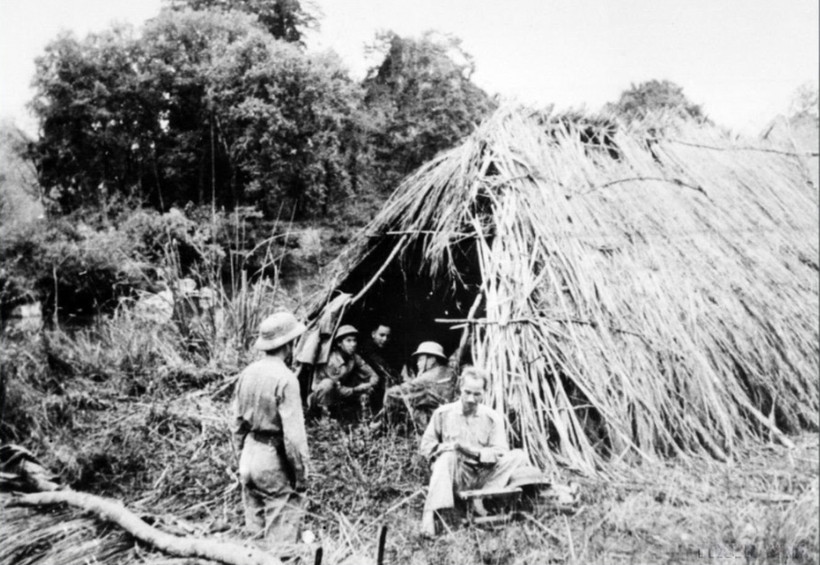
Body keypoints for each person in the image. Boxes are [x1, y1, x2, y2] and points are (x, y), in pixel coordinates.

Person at [419, 366, 541, 537]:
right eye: (467, 392)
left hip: (484, 475)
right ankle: (432, 514)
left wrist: (474, 452)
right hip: (456, 475)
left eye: (477, 394)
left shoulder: (491, 417)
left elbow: (500, 452)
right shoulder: (443, 414)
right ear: (460, 388)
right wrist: (444, 448)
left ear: (485, 392)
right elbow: (426, 446)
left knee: (519, 456)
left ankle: (484, 499)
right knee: (447, 457)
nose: (470, 399)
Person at [232, 311, 309, 543]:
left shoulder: (247, 373)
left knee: (253, 532)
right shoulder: (286, 379)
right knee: (282, 534)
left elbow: (236, 424)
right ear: (290, 344)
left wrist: (240, 457)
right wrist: (300, 474)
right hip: (272, 459)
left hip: (249, 454)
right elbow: (293, 438)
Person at [310, 325, 379, 420]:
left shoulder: (354, 357)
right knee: (327, 384)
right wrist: (356, 389)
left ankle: (364, 417)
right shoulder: (332, 361)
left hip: (341, 395)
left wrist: (370, 384)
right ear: (339, 343)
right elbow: (338, 389)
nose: (353, 344)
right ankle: (324, 417)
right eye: (348, 341)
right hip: (320, 398)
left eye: (354, 340)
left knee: (363, 385)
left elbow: (372, 373)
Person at [379, 341, 455, 428]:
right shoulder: (450, 371)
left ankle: (380, 427)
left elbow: (392, 393)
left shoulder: (426, 378)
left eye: (420, 359)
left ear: (432, 360)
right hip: (450, 419)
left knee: (401, 400)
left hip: (436, 423)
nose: (417, 363)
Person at [359, 323, 401, 412]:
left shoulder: (387, 348)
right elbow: (381, 365)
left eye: (388, 336)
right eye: (381, 335)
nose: (385, 339)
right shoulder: (367, 348)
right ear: (373, 334)